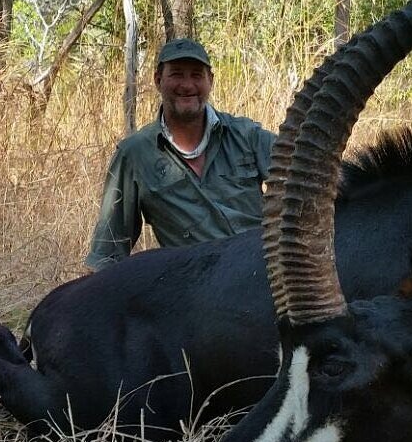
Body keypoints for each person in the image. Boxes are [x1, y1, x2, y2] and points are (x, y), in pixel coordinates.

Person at [85, 38, 276, 270]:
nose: (187, 85)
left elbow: (308, 176)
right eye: (176, 74)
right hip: (195, 285)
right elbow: (107, 252)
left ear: (210, 81)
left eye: (196, 75)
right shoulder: (135, 155)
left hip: (263, 272)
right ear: (158, 80)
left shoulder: (247, 135)